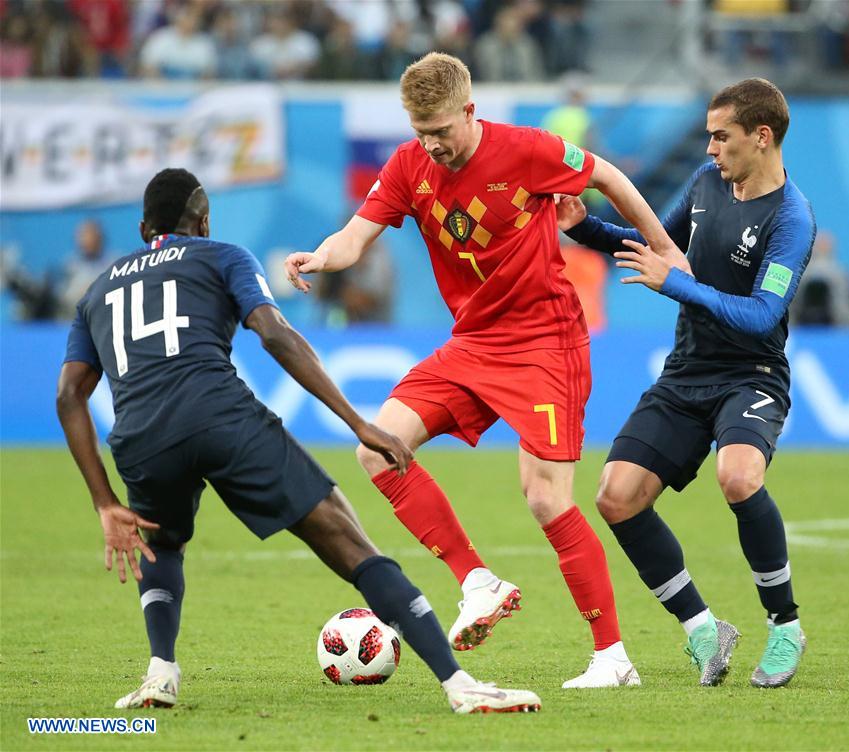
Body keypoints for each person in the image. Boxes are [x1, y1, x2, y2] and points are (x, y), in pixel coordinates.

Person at [56, 167, 541, 715]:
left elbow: (71, 395)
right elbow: (274, 334)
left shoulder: (98, 288)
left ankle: (160, 673)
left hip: (140, 438)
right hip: (221, 418)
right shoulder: (222, 255)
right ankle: (460, 686)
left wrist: (103, 502)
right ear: (204, 220)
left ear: (145, 227)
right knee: (351, 542)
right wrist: (359, 423)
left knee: (162, 543)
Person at [284, 53, 682, 689]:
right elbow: (356, 236)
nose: (432, 145)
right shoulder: (410, 164)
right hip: (473, 343)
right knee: (378, 448)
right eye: (420, 132)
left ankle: (613, 658)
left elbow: (607, 176)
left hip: (547, 344)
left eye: (441, 130)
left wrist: (664, 249)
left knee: (546, 499)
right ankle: (478, 580)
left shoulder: (526, 151)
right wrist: (321, 257)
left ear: (470, 111)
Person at [556, 78, 815, 688]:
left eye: (720, 137)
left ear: (761, 137)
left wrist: (675, 283)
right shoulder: (705, 185)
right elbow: (657, 245)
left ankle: (784, 627)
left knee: (739, 475)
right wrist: (584, 227)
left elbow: (761, 317)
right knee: (615, 496)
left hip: (750, 374)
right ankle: (702, 628)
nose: (709, 149)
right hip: (686, 372)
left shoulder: (792, 218)